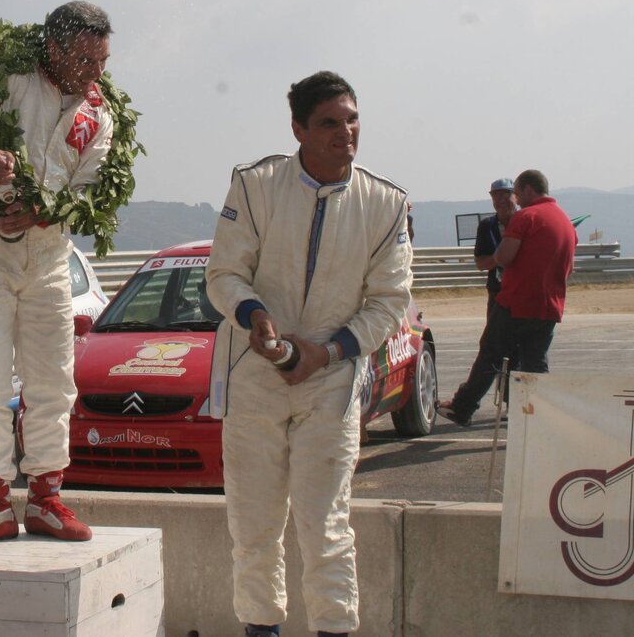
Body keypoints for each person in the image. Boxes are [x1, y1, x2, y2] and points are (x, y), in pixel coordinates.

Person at [206, 71, 412, 637]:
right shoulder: (254, 185)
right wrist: (255, 317)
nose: (345, 132)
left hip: (332, 380)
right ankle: (260, 628)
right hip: (254, 373)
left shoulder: (386, 203)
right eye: (329, 122)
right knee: (254, 526)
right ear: (297, 128)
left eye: (351, 119)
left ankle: (335, 629)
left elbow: (390, 302)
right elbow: (223, 274)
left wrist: (328, 352)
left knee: (325, 525)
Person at [0, 1, 114, 549]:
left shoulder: (99, 115)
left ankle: (45, 498)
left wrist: (46, 212)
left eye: (104, 60)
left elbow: (89, 192)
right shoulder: (4, 80)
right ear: (54, 49)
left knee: (53, 383)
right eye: (85, 59)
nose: (96, 72)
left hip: (48, 263)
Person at [436, 178, 520, 427]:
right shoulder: (487, 226)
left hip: (521, 295)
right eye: (496, 196)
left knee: (508, 351)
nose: (501, 200)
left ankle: (471, 405)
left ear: (516, 196)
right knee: (497, 349)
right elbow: (481, 262)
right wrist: (501, 257)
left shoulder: (525, 221)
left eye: (506, 195)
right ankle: (509, 406)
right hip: (497, 294)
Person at [492, 169, 576, 372]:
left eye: (518, 195)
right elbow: (569, 268)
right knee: (536, 361)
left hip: (518, 302)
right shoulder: (565, 221)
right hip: (549, 305)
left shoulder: (525, 216)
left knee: (491, 354)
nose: (518, 201)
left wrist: (494, 257)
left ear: (528, 190)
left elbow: (504, 257)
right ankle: (535, 403)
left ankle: (464, 403)